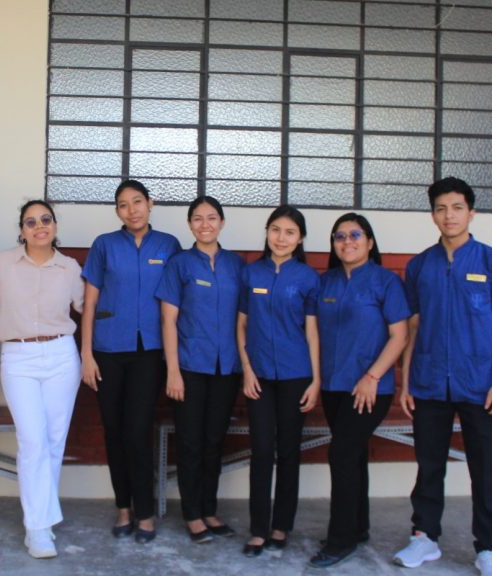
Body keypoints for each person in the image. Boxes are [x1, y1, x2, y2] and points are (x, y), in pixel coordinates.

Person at [393, 177, 492, 576]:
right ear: (432, 214)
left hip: (480, 384)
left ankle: (489, 548)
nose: (449, 215)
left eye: (457, 207)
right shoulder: (419, 266)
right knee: (429, 465)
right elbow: (413, 327)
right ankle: (424, 538)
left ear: (471, 212)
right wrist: (407, 381)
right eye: (441, 208)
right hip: (430, 381)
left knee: (484, 469)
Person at [80, 179, 181, 543]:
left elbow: (175, 302)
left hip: (150, 352)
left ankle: (146, 512)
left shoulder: (168, 245)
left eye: (137, 202)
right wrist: (86, 354)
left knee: (138, 433)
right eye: (123, 205)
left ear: (150, 204)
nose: (132, 210)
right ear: (117, 211)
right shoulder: (104, 245)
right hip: (107, 350)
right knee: (113, 431)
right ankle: (123, 507)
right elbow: (89, 303)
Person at [309, 213, 410, 568]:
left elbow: (400, 336)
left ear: (369, 242)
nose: (347, 241)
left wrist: (371, 376)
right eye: (339, 236)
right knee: (353, 456)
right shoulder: (326, 282)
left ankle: (340, 540)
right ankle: (358, 526)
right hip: (335, 387)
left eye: (355, 235)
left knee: (341, 454)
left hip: (370, 387)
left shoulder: (386, 282)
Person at [0, 200, 84, 559]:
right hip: (18, 357)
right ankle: (38, 528)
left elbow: (86, 308)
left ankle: (40, 523)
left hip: (61, 356)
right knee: (32, 440)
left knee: (54, 440)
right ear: (22, 229)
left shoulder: (70, 267)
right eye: (31, 222)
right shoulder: (2, 264)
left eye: (46, 219)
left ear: (55, 225)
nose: (39, 226)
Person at [155, 196, 244, 544]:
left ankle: (209, 509)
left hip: (227, 368)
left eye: (211, 218)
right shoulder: (180, 264)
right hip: (190, 366)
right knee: (190, 442)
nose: (204, 224)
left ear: (222, 222)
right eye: (197, 219)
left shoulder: (237, 265)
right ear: (190, 224)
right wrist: (173, 371)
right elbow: (168, 319)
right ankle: (192, 514)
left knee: (214, 442)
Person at [236, 205, 321, 557]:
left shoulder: (307, 278)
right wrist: (247, 370)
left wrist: (315, 380)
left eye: (289, 232)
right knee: (262, 451)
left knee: (288, 452)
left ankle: (281, 525)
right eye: (275, 229)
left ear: (299, 238)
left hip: (295, 375)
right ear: (267, 233)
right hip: (258, 378)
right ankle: (258, 529)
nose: (281, 238)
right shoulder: (251, 274)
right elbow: (240, 325)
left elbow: (313, 333)